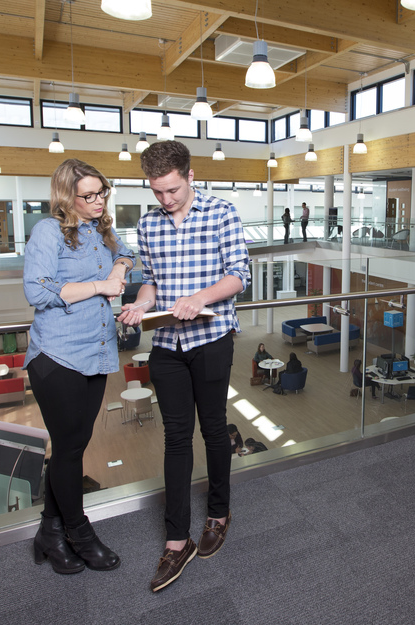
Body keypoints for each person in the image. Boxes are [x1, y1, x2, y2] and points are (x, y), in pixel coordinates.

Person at [117, 140, 250, 593]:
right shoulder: (149, 223)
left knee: (213, 428)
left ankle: (218, 513)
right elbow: (152, 281)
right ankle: (177, 542)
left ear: (190, 176)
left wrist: (200, 298)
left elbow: (239, 274)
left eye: (172, 189)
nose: (165, 199)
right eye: (157, 191)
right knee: (176, 438)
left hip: (211, 339)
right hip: (168, 344)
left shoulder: (222, 212)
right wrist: (139, 304)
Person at [23, 158, 135, 576]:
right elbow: (37, 289)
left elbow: (125, 252)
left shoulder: (101, 229)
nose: (97, 201)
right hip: (58, 355)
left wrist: (121, 266)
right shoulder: (48, 231)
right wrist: (101, 286)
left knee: (73, 447)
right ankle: (79, 533)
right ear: (66, 198)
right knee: (69, 450)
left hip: (98, 353)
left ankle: (50, 533)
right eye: (87, 195)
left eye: (101, 192)